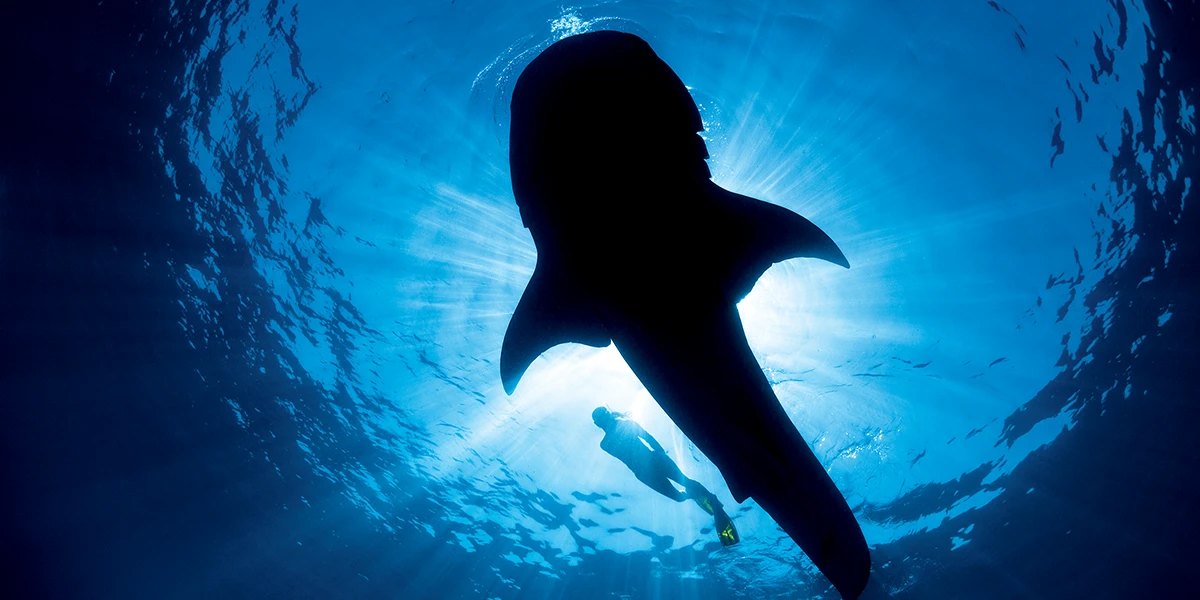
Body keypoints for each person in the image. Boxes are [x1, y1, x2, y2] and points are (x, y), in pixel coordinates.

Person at [591, 406, 739, 546]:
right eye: (602, 419)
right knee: (679, 496)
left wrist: (661, 454)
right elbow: (644, 437)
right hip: (646, 471)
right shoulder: (609, 440)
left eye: (604, 417)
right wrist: (619, 417)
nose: (604, 421)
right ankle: (695, 494)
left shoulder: (615, 433)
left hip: (652, 462)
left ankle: (711, 498)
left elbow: (646, 437)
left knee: (685, 483)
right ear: (599, 423)